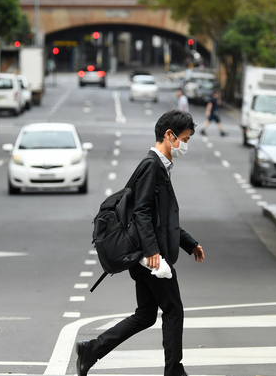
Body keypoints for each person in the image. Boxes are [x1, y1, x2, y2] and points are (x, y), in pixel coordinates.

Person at [76, 110, 205, 376]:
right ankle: (174, 371)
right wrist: (153, 252)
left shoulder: (158, 167)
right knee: (173, 310)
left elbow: (162, 220)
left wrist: (189, 243)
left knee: (146, 315)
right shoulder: (151, 166)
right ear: (169, 136)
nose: (185, 145)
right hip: (152, 259)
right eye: (185, 138)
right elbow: (142, 212)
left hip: (147, 255)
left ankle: (92, 350)